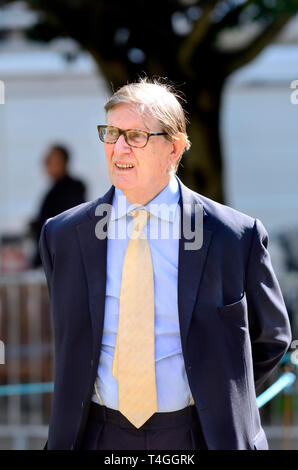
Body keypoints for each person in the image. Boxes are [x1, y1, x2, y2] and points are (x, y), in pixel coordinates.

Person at [39, 79, 291, 450]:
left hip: (197, 436)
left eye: (135, 135)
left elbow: (271, 337)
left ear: (173, 148)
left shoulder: (233, 235)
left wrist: (220, 399)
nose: (118, 147)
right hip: (96, 436)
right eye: (111, 133)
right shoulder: (63, 235)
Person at [29, 144, 86, 267]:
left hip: (62, 260)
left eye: (51, 160)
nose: (46, 163)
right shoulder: (56, 190)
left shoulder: (72, 189)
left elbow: (70, 225)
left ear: (63, 162)